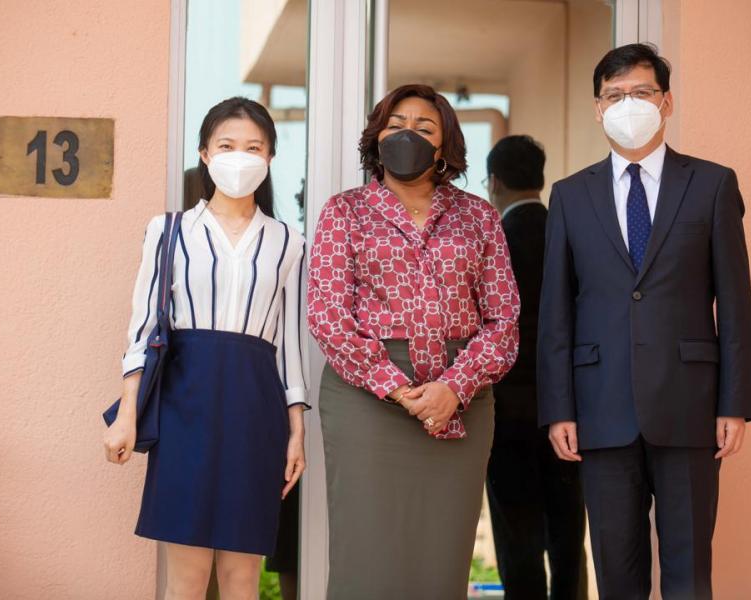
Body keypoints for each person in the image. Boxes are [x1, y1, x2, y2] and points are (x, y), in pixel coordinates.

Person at [538, 44, 751, 600]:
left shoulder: (711, 185)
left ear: (667, 101)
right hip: (599, 408)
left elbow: (734, 302)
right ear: (597, 108)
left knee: (688, 575)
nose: (627, 105)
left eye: (641, 92)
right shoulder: (569, 195)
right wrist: (558, 407)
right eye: (615, 95)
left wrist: (734, 402)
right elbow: (557, 312)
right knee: (617, 575)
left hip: (690, 406)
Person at [307, 83, 520, 599]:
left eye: (425, 129)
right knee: (367, 555)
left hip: (462, 401)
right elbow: (329, 316)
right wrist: (400, 389)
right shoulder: (345, 211)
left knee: (440, 558)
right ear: (377, 137)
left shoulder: (480, 216)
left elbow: (504, 320)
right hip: (366, 401)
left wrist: (454, 387)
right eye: (396, 124)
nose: (408, 135)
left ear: (444, 147)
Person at [103, 96, 309, 600]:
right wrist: (127, 415)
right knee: (187, 579)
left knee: (242, 580)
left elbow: (289, 346)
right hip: (184, 407)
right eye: (227, 145)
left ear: (270, 158)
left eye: (253, 146)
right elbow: (144, 331)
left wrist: (297, 431)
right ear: (204, 153)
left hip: (256, 412)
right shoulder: (168, 230)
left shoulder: (289, 242)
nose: (240, 157)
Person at [484, 135, 586, 600]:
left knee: (517, 538)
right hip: (570, 409)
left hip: (506, 413)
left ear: (494, 182)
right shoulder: (572, 236)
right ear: (541, 180)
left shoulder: (493, 244)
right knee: (567, 535)